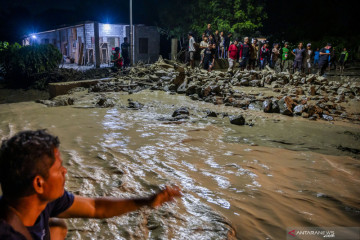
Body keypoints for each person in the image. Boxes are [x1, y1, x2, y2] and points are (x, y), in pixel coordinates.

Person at [0, 130, 181, 240]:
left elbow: (95, 207)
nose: (65, 171)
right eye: (59, 168)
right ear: (39, 184)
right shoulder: (8, 233)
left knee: (57, 225)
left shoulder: (42, 201)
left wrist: (147, 201)